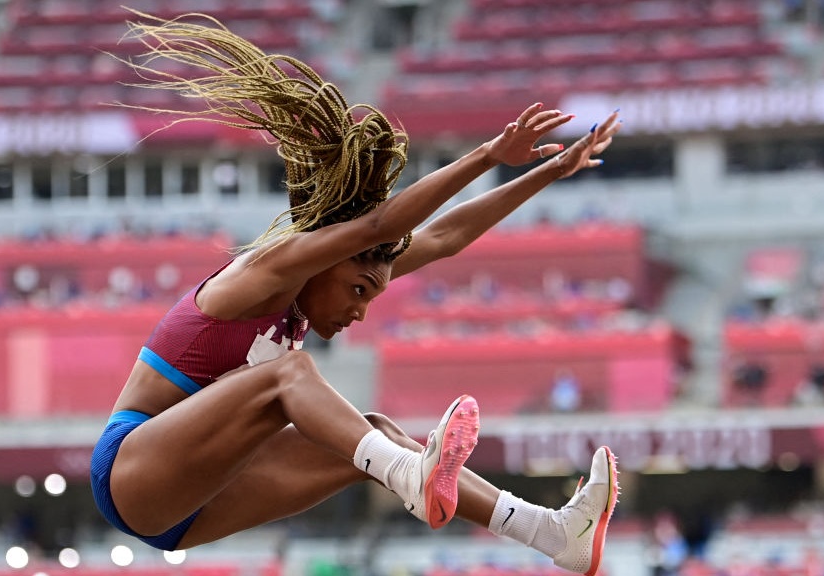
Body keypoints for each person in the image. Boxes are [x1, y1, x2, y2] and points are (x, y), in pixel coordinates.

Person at [90, 12, 621, 576]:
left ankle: (554, 534)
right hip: (132, 471)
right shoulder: (266, 271)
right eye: (359, 290)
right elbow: (375, 229)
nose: (361, 312)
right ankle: (409, 478)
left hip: (196, 503)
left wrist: (551, 171)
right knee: (288, 378)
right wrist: (488, 155)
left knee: (377, 437)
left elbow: (443, 236)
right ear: (328, 258)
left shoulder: (330, 275)